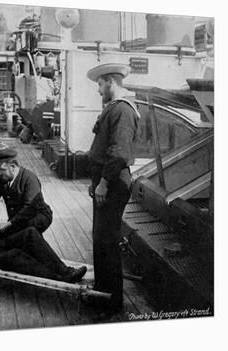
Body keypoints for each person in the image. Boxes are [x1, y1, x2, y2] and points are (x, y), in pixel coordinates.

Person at [0, 147, 87, 282]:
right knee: (16, 237)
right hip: (17, 220)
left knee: (29, 233)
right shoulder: (1, 180)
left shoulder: (30, 179)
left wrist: (8, 225)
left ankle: (65, 272)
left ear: (12, 166)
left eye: (2, 170)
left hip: (39, 216)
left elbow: (29, 209)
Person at [85, 63, 140, 316]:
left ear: (109, 82)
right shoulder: (113, 109)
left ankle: (111, 301)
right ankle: (102, 292)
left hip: (114, 182)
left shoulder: (123, 111)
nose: (98, 90)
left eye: (99, 84)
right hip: (105, 180)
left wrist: (104, 183)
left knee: (107, 240)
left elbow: (118, 153)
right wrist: (95, 181)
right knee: (100, 239)